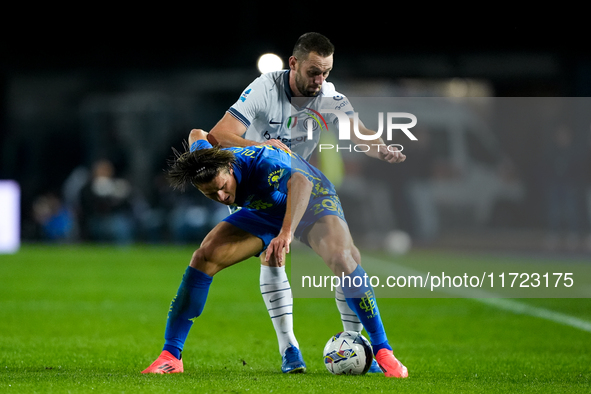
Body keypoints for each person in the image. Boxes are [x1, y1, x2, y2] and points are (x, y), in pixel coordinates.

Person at [204, 32, 406, 373]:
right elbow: (217, 135)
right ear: (293, 63)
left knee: (346, 257)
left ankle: (359, 346)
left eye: (326, 72)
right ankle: (289, 349)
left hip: (304, 185)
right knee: (273, 257)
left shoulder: (330, 97)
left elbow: (359, 132)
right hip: (258, 187)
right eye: (314, 71)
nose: (320, 80)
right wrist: (261, 147)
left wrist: (381, 148)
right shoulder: (264, 88)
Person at [141, 129, 408, 378]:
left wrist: (286, 233)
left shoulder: (265, 163)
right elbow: (197, 133)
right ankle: (171, 356)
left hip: (313, 201)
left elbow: (301, 183)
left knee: (343, 260)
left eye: (223, 186)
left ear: (230, 168)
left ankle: (383, 349)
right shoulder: (207, 161)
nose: (222, 197)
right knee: (203, 257)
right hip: (263, 211)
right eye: (210, 193)